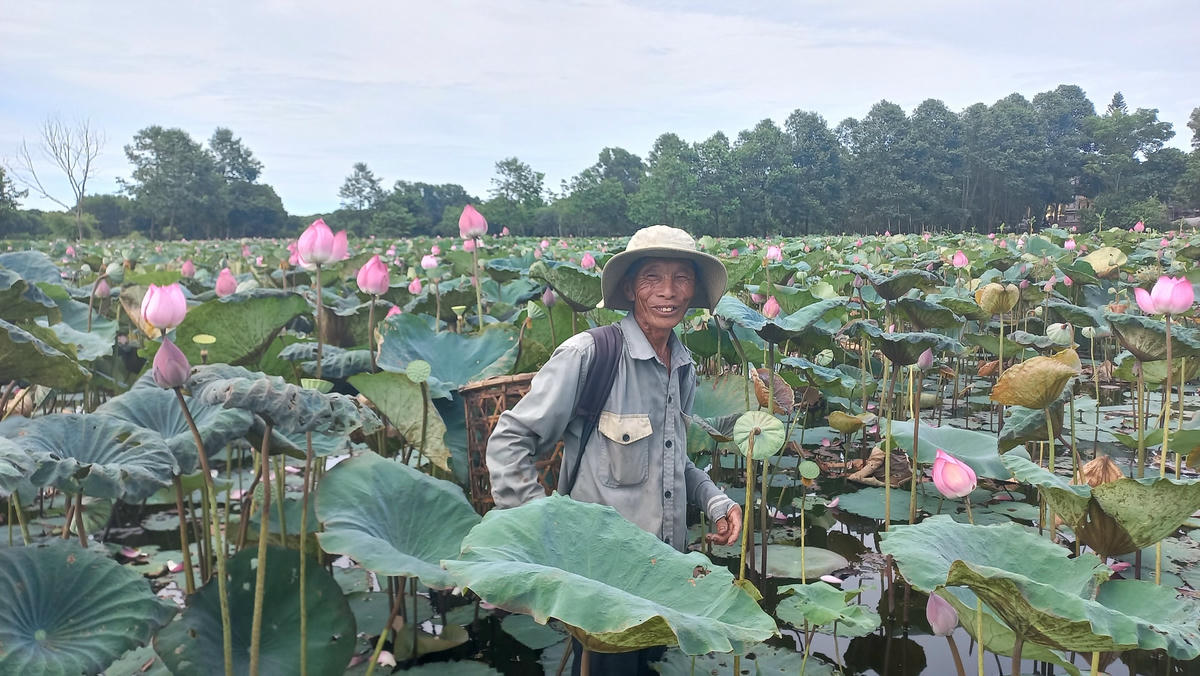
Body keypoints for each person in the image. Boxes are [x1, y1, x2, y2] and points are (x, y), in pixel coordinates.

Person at [486, 225, 743, 676]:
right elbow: (509, 442)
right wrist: (543, 533)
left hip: (666, 577)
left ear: (695, 289)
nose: (668, 292)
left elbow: (671, 458)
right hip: (603, 589)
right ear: (629, 287)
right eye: (652, 278)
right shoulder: (589, 355)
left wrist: (715, 500)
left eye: (682, 278)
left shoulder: (683, 366)